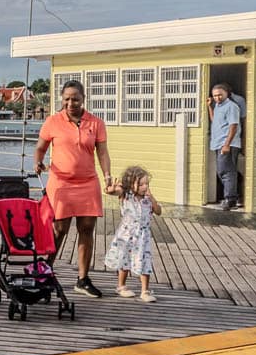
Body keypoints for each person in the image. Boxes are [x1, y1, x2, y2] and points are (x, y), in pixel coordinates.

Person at [33, 79, 112, 298]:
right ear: (62, 99)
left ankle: (83, 279)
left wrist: (107, 175)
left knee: (86, 229)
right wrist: (38, 162)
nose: (70, 103)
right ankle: (44, 272)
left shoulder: (96, 123)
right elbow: (40, 148)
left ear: (83, 99)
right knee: (59, 229)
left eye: (75, 99)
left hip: (88, 183)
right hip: (61, 183)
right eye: (66, 99)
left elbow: (102, 152)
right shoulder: (52, 121)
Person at [104, 165, 162, 303]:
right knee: (124, 259)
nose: (145, 187)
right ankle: (121, 286)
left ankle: (145, 290)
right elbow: (115, 191)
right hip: (126, 235)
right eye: (141, 184)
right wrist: (110, 189)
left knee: (145, 260)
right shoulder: (126, 196)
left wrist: (152, 198)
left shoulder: (147, 199)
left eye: (146, 184)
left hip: (143, 237)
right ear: (131, 184)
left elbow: (158, 211)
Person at [208, 83, 242, 210]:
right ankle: (233, 197)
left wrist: (227, 144)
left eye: (220, 95)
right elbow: (215, 120)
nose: (217, 98)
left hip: (227, 144)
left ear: (226, 93)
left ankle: (231, 199)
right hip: (218, 143)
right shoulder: (217, 106)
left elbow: (233, 125)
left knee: (226, 172)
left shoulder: (231, 106)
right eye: (215, 96)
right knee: (223, 172)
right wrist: (209, 107)